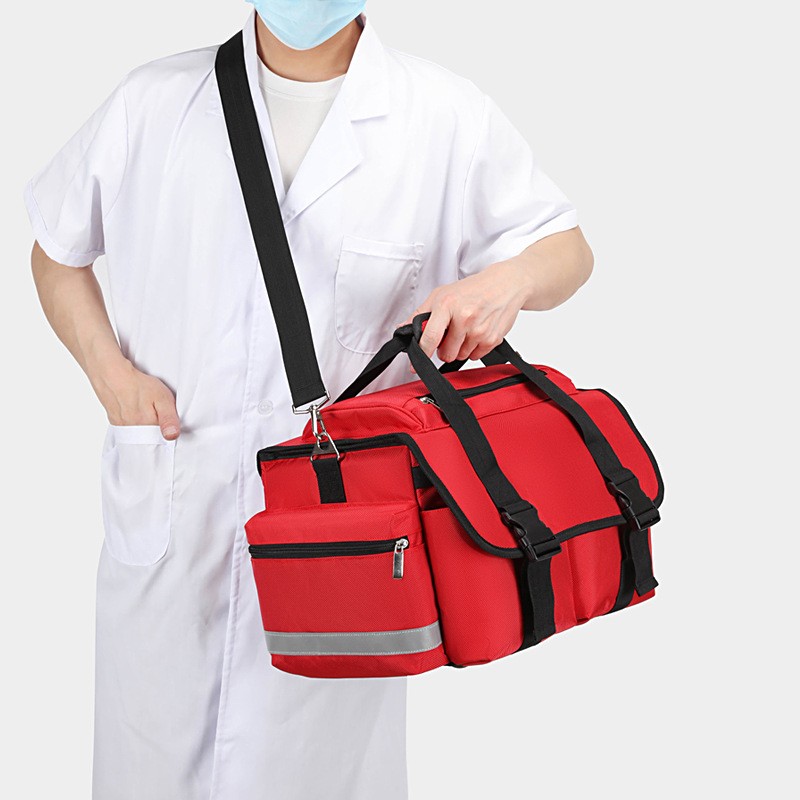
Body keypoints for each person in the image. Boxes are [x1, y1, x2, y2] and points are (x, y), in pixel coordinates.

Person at [25, 1, 594, 798]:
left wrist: (509, 282)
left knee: (322, 774)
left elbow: (567, 250)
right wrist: (110, 377)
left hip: (347, 534)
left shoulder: (440, 115)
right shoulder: (152, 103)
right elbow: (57, 250)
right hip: (173, 506)